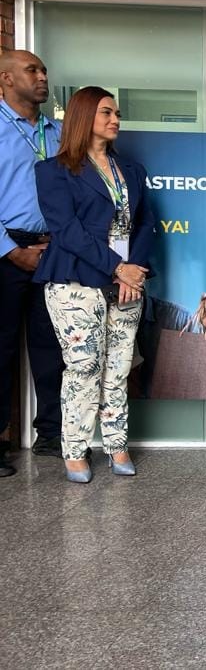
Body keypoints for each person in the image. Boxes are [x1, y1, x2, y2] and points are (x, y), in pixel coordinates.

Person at [34, 87, 155, 483]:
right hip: (76, 280)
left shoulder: (131, 170)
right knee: (83, 367)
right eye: (106, 112)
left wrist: (134, 269)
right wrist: (118, 268)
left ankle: (117, 445)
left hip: (128, 282)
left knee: (119, 367)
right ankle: (75, 450)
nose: (115, 119)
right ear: (84, 116)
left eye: (116, 113)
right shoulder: (52, 171)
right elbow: (67, 231)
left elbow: (146, 224)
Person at [0, 50, 65, 476]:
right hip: (5, 251)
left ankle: (53, 435)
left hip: (54, 250)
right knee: (0, 348)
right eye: (32, 70)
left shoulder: (57, 132)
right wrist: (10, 249)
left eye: (43, 70)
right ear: (6, 79)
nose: (42, 77)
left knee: (54, 346)